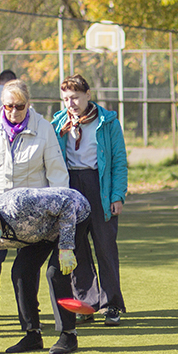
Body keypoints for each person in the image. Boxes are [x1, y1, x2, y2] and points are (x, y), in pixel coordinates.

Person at [0, 78, 68, 344]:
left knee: (25, 271)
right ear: (2, 103)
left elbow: (57, 174)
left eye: (19, 106)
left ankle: (34, 329)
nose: (13, 112)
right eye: (8, 106)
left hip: (32, 214)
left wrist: (60, 215)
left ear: (28, 104)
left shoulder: (44, 128)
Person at [0, 187, 90, 354]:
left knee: (55, 272)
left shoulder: (18, 204)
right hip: (38, 232)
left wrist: (66, 247)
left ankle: (69, 335)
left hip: (73, 214)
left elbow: (66, 204)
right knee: (21, 273)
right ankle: (32, 335)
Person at [51, 74, 128, 326]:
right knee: (75, 246)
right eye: (65, 99)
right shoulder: (58, 123)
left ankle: (112, 304)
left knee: (105, 246)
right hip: (70, 186)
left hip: (99, 186)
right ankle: (86, 304)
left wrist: (117, 195)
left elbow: (119, 161)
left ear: (88, 95)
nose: (70, 103)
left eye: (75, 97)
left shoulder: (108, 122)